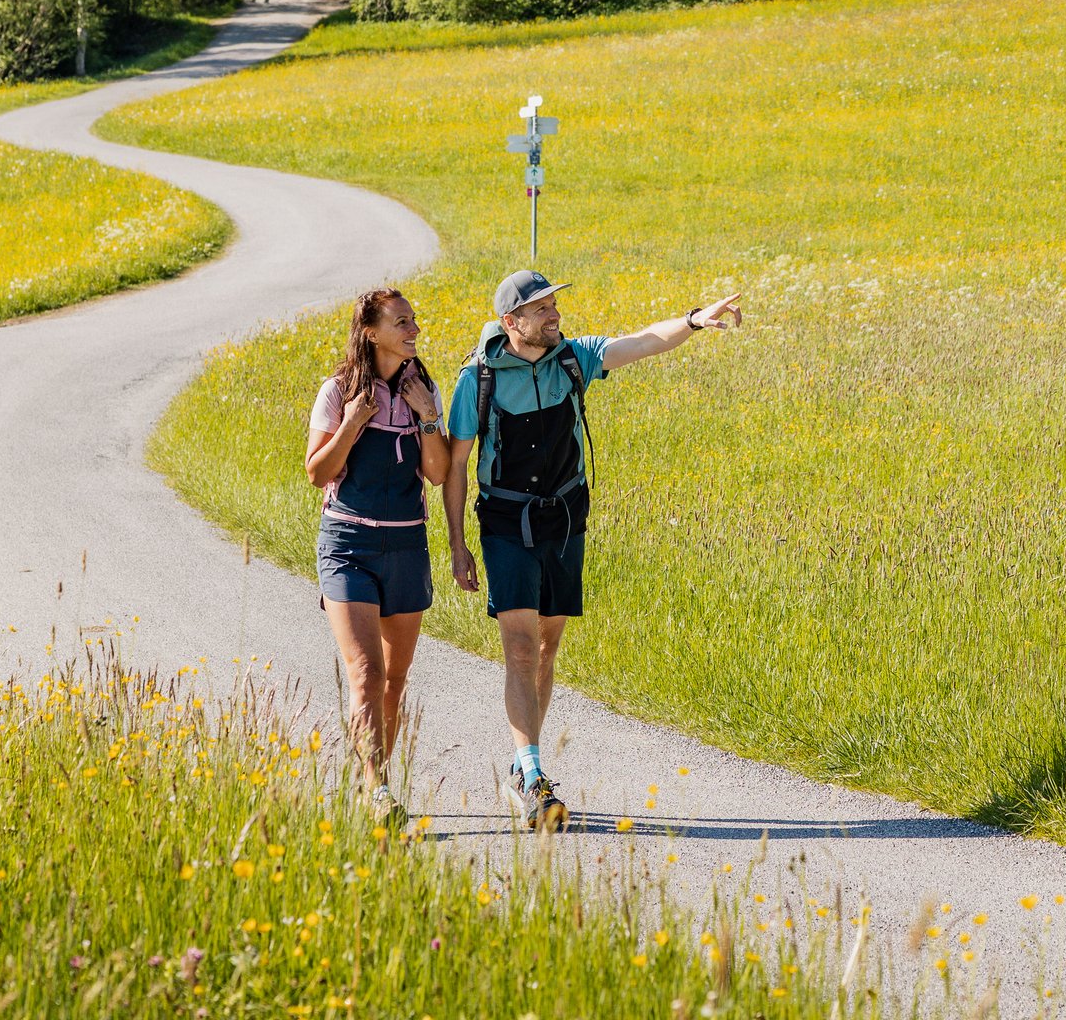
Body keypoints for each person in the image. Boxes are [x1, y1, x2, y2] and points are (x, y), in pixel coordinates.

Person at [444, 266, 743, 831]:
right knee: (521, 645)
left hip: (565, 516)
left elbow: (643, 342)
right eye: (542, 309)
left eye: (555, 305)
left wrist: (692, 321)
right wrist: (458, 545)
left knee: (549, 645)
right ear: (512, 322)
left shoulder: (572, 357)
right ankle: (533, 774)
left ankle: (519, 760)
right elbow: (457, 465)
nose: (555, 315)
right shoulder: (477, 378)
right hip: (505, 520)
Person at [304, 285, 447, 817]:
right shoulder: (338, 390)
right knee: (365, 672)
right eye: (401, 322)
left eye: (413, 320)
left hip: (407, 543)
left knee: (395, 678)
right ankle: (377, 787)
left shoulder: (422, 386)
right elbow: (317, 472)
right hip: (348, 544)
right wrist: (351, 424)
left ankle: (377, 775)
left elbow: (435, 473)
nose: (413, 330)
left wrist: (428, 413)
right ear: (370, 332)